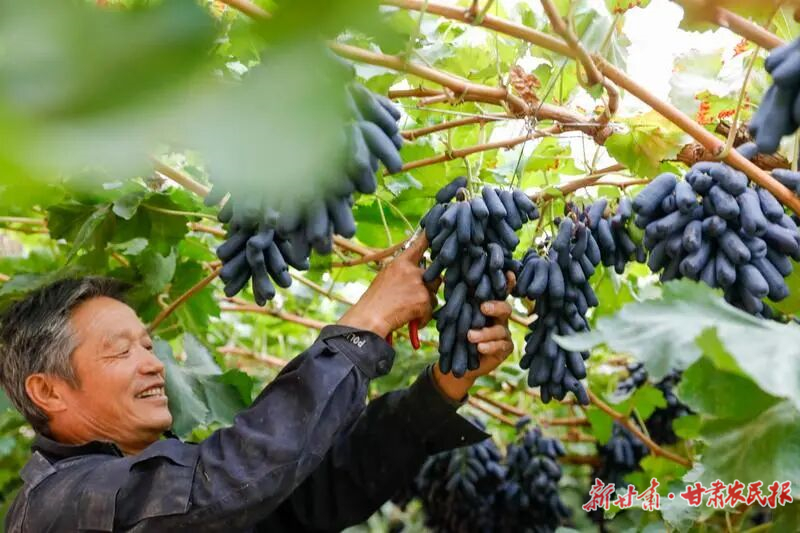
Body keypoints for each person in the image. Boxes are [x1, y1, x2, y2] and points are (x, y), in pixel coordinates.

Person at [0, 236, 516, 532]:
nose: (153, 364)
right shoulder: (54, 508)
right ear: (48, 391)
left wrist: (442, 388)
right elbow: (228, 481)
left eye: (148, 346)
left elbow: (313, 495)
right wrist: (365, 324)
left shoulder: (147, 486)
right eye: (120, 350)